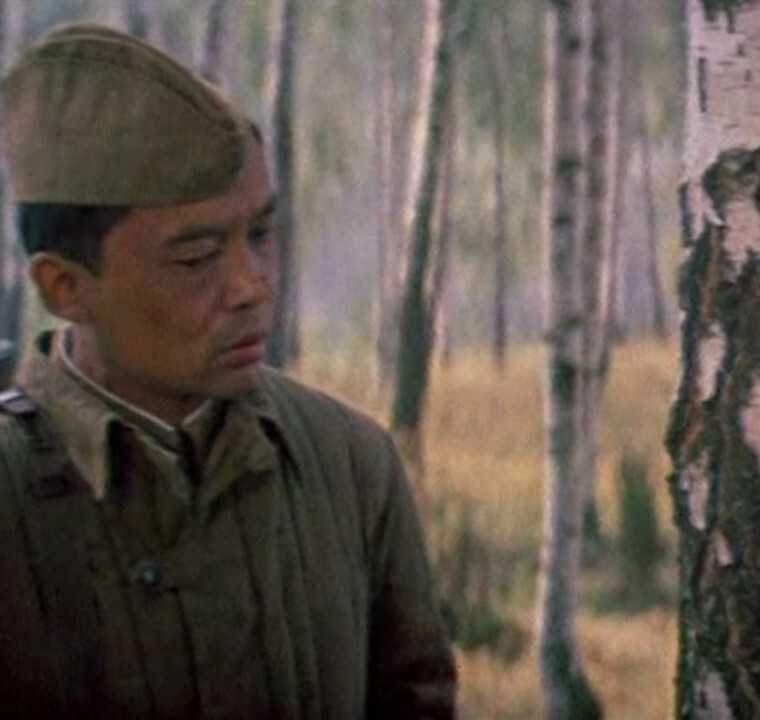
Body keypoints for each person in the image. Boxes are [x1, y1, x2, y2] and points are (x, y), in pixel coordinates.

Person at [0, 23, 456, 718]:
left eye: (262, 235)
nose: (253, 285)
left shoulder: (348, 464)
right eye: (196, 258)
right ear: (65, 287)